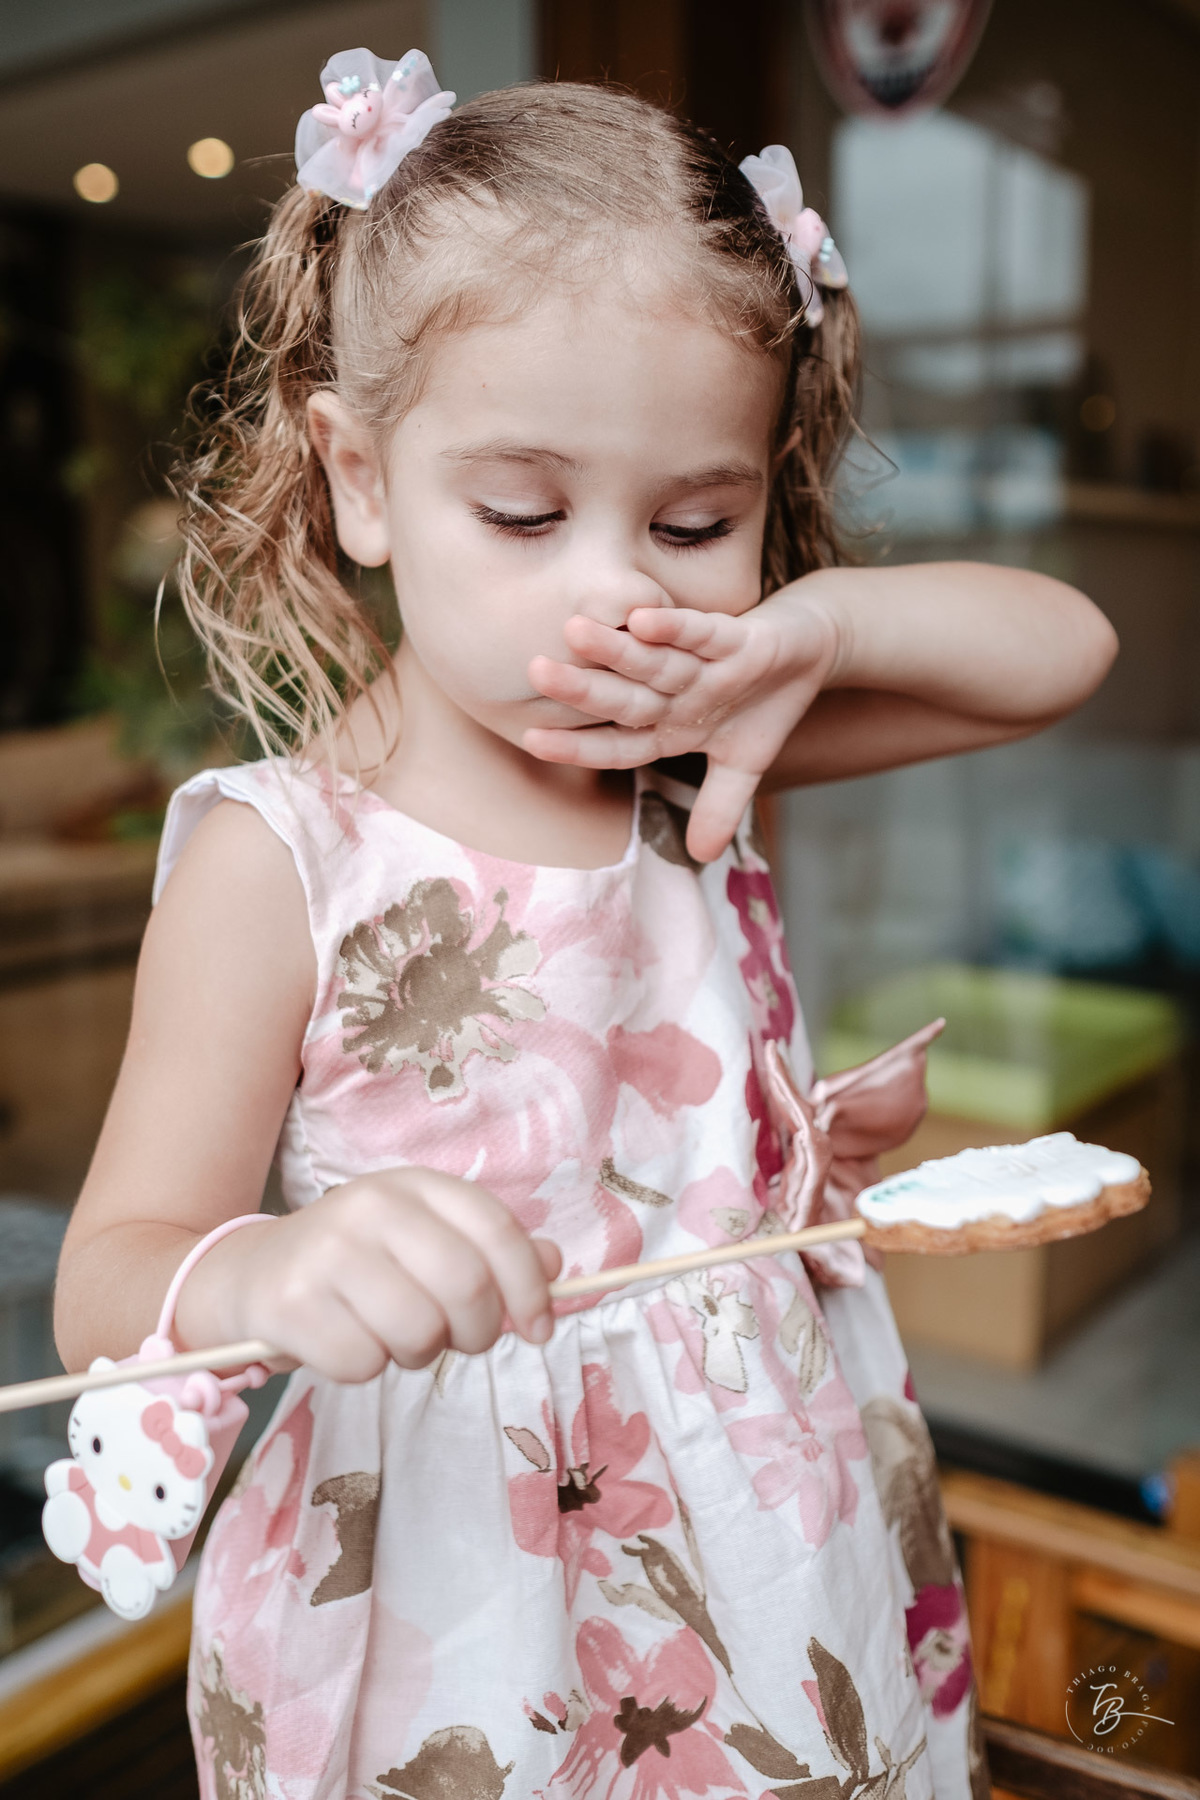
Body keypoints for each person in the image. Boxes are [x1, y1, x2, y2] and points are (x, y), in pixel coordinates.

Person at [54, 49, 1116, 1800]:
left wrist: (811, 631)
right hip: (462, 1582)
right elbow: (109, 1274)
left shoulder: (696, 742)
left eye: (697, 520)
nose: (620, 586)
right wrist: (265, 1270)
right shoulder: (281, 857)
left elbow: (1064, 651)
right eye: (527, 513)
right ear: (364, 479)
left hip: (776, 1503)